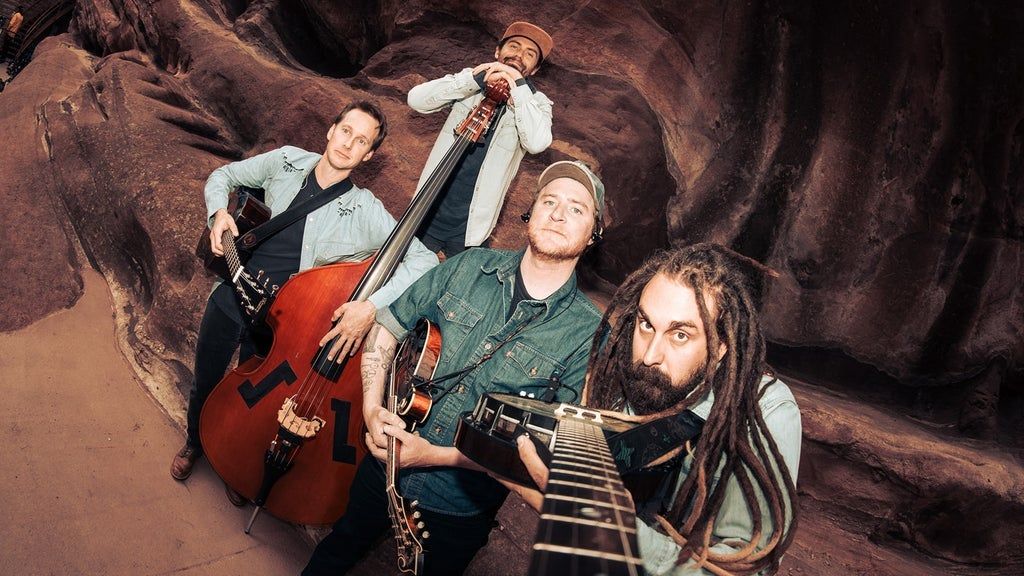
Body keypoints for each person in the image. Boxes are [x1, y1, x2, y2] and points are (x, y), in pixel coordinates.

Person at [302, 160, 607, 575]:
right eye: (549, 201)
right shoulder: (468, 266)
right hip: (382, 466)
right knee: (334, 554)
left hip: (457, 510)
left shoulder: (589, 335)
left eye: (576, 208)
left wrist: (437, 456)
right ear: (531, 211)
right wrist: (372, 407)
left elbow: (544, 451)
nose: (557, 214)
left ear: (593, 233)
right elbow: (388, 328)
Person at [169, 101, 439, 490]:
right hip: (232, 293)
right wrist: (218, 214)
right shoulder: (286, 161)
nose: (349, 144)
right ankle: (195, 443)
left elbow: (424, 261)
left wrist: (370, 306)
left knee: (253, 399)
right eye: (346, 131)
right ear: (331, 129)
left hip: (282, 322)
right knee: (207, 379)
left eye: (361, 141)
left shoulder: (365, 210)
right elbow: (223, 175)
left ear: (368, 155)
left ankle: (236, 465)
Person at [511, 244, 802, 575]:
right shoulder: (621, 368)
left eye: (680, 335)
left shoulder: (767, 410)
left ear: (722, 345)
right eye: (646, 324)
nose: (650, 355)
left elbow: (748, 569)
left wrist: (615, 532)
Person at [408, 21, 554, 257]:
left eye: (530, 54)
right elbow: (416, 100)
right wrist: (473, 80)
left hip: (472, 227)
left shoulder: (536, 103)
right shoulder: (471, 80)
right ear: (497, 52)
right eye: (514, 46)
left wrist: (518, 87)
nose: (519, 55)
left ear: (534, 70)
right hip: (426, 210)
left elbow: (537, 143)